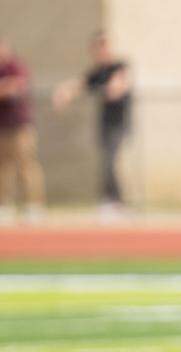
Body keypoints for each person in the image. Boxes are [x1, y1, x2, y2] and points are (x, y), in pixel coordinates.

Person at [52, 31, 132, 217]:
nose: (101, 51)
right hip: (105, 123)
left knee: (111, 161)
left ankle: (118, 202)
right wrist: (64, 92)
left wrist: (111, 87)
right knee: (106, 161)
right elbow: (80, 83)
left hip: (119, 123)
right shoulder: (98, 72)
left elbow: (118, 86)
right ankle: (110, 201)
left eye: (104, 46)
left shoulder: (118, 66)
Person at [0, 39, 46, 223]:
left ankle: (34, 206)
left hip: (20, 126)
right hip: (2, 127)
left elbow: (14, 88)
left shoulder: (17, 67)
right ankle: (4, 205)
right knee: (3, 168)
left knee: (26, 166)